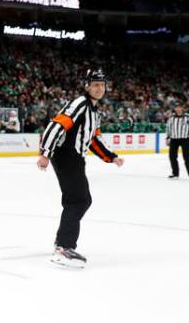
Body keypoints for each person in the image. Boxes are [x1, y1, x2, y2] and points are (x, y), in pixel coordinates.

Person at [37, 68, 124, 268]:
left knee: (79, 200)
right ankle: (64, 247)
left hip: (75, 158)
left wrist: (111, 157)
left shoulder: (94, 110)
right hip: (66, 155)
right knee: (78, 200)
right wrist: (45, 153)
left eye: (102, 85)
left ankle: (62, 243)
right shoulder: (80, 104)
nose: (99, 88)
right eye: (95, 84)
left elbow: (93, 138)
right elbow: (56, 125)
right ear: (87, 86)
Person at [166, 106, 189, 179]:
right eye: (177, 108)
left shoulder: (188, 117)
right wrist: (167, 138)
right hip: (174, 139)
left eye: (180, 108)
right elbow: (168, 128)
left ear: (182, 109)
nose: (178, 109)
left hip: (185, 139)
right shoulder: (171, 118)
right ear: (175, 109)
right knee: (172, 157)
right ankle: (175, 173)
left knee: (187, 157)